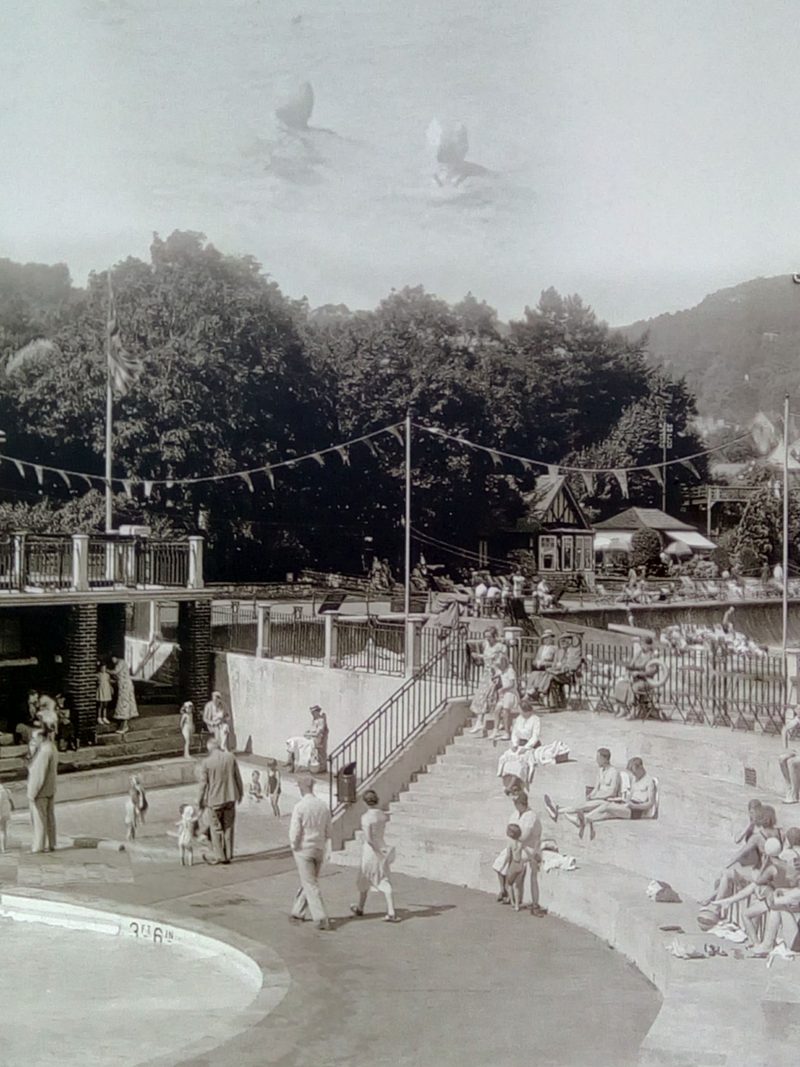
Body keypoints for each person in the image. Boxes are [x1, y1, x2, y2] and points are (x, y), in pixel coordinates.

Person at [289, 774, 333, 930]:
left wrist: (293, 845)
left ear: (302, 788)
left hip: (304, 848)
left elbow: (295, 831)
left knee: (310, 882)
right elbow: (329, 830)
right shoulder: (323, 806)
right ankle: (298, 910)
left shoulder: (300, 807)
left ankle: (320, 917)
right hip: (319, 847)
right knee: (309, 879)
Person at [350, 789, 399, 922]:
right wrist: (382, 850)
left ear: (365, 802)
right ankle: (388, 910)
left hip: (371, 851)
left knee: (366, 875)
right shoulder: (382, 815)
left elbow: (369, 839)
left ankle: (364, 907)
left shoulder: (366, 817)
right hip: (382, 846)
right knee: (382, 876)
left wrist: (376, 850)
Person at [578, 757, 656, 840]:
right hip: (629, 805)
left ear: (640, 767)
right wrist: (620, 800)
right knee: (606, 814)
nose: (633, 774)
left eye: (634, 771)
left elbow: (650, 804)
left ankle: (583, 819)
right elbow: (630, 797)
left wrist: (634, 806)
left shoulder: (649, 782)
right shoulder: (634, 779)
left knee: (607, 806)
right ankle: (585, 822)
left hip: (636, 810)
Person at [544, 747, 622, 828]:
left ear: (605, 759)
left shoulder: (614, 772)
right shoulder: (600, 770)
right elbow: (596, 787)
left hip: (606, 800)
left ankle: (558, 810)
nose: (597, 760)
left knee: (583, 806)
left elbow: (612, 792)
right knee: (582, 804)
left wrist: (596, 796)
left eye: (598, 758)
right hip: (598, 798)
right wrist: (591, 795)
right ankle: (558, 810)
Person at [198, 737, 244, 865]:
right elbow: (237, 777)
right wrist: (240, 793)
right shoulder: (230, 757)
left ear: (209, 748)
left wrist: (199, 801)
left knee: (216, 828)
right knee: (229, 827)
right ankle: (228, 854)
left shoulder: (206, 762)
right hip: (230, 797)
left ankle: (220, 855)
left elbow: (203, 784)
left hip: (214, 800)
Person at [468, 626, 507, 735]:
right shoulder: (486, 645)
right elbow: (485, 656)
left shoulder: (501, 647)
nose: (487, 639)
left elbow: (502, 662)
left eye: (489, 637)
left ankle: (500, 722)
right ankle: (480, 722)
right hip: (486, 675)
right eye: (486, 637)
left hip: (497, 675)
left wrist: (498, 672)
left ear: (495, 636)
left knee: (494, 699)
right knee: (482, 697)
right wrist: (478, 656)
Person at [26, 723, 58, 853]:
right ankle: (52, 843)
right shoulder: (52, 747)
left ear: (40, 737)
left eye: (34, 738)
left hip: (41, 791)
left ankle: (38, 845)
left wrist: (32, 793)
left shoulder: (44, 751)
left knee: (39, 819)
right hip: (50, 788)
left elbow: (39, 775)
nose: (33, 741)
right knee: (50, 817)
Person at [497, 700, 541, 789]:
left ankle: (512, 785)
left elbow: (535, 736)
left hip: (530, 745)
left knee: (521, 761)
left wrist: (526, 747)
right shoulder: (519, 719)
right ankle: (508, 781)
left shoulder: (535, 719)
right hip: (518, 744)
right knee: (507, 758)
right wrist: (514, 744)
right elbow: (515, 733)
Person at [613, 637, 660, 719]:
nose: (642, 646)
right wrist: (629, 672)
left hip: (646, 681)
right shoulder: (638, 654)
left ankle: (633, 711)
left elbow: (652, 671)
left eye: (644, 644)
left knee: (634, 687)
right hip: (635, 678)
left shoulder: (652, 656)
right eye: (641, 644)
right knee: (620, 685)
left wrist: (639, 673)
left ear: (649, 645)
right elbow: (631, 666)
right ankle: (623, 709)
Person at [494, 823, 531, 911]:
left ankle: (513, 903)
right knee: (517, 885)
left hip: (514, 864)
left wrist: (503, 865)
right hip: (520, 863)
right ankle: (517, 905)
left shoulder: (510, 842)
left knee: (509, 884)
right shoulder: (521, 843)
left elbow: (508, 856)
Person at [286, 705, 328, 772]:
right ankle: (290, 760)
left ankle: (298, 763)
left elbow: (318, 733)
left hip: (315, 740)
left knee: (303, 745)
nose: (312, 714)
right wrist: (307, 732)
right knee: (294, 740)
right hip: (310, 738)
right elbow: (311, 730)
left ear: (317, 712)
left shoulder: (321, 721)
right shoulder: (314, 720)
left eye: (313, 712)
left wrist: (309, 734)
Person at [493, 654, 522, 740]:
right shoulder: (500, 671)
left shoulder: (510, 670)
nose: (499, 667)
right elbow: (496, 677)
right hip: (503, 693)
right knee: (497, 710)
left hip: (510, 693)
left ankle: (507, 732)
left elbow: (512, 684)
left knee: (506, 712)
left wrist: (503, 689)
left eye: (500, 665)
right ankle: (496, 730)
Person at [522, 631, 557, 701]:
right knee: (533, 674)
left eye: (548, 638)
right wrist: (537, 663)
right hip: (539, 668)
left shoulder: (555, 648)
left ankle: (536, 692)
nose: (546, 640)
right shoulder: (541, 648)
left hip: (547, 668)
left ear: (551, 639)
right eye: (544, 638)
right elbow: (536, 659)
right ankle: (529, 691)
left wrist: (545, 663)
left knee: (540, 674)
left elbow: (555, 662)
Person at [111, 656, 139, 734]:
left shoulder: (121, 663)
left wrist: (106, 670)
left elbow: (115, 672)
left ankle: (124, 726)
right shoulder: (121, 663)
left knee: (123, 704)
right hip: (124, 686)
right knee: (124, 704)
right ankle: (124, 725)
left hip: (125, 687)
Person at [779, 709, 800, 805]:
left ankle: (794, 795)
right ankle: (790, 787)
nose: (797, 710)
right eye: (797, 708)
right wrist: (786, 748)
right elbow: (785, 729)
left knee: (792, 762)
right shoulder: (798, 719)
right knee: (782, 758)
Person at [0, 781, 13, 853]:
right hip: (4, 814)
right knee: (3, 831)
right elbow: (11, 802)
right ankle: (3, 848)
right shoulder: (7, 791)